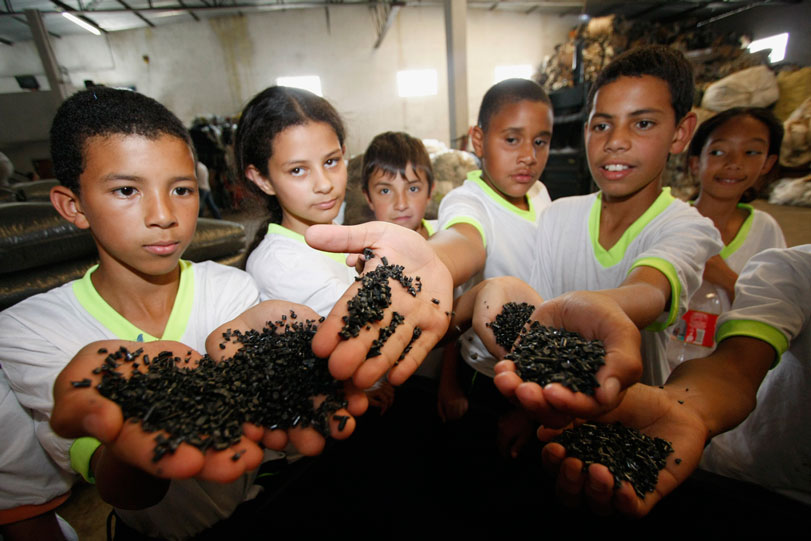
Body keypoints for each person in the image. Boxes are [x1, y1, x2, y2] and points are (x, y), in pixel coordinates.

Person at [0, 87, 358, 540]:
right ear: (73, 205)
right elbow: (115, 488)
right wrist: (130, 439)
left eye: (182, 189)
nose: (163, 214)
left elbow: (264, 382)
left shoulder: (231, 287)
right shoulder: (29, 332)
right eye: (127, 190)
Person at [461, 45, 723, 425]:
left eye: (643, 123)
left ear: (681, 134)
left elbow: (649, 290)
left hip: (629, 421)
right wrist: (525, 413)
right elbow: (538, 316)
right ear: (586, 133)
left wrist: (576, 309)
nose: (616, 140)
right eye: (602, 125)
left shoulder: (686, 227)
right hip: (548, 411)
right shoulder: (557, 216)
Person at [504, 244, 810, 516]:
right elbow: (736, 368)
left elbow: (655, 281)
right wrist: (688, 407)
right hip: (749, 478)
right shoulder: (795, 270)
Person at [237, 86, 395, 410]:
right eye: (298, 170)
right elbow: (375, 332)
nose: (324, 183)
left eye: (331, 161)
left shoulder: (343, 235)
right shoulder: (278, 264)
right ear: (262, 179)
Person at [433, 78, 553, 428]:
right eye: (512, 139)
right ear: (479, 140)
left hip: (540, 368)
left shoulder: (541, 193)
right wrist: (434, 258)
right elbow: (463, 240)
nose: (528, 156)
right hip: (487, 372)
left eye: (540, 142)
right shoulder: (467, 202)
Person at [667, 107, 785, 366]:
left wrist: (726, 278)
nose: (734, 163)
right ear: (696, 163)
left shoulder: (765, 230)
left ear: (767, 163)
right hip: (667, 364)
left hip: (730, 369)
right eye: (718, 152)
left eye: (751, 152)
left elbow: (776, 313)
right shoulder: (671, 223)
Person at [361, 131, 436, 240]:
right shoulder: (360, 253)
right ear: (368, 198)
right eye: (385, 191)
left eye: (413, 189)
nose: (401, 205)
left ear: (429, 192)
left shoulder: (451, 238)